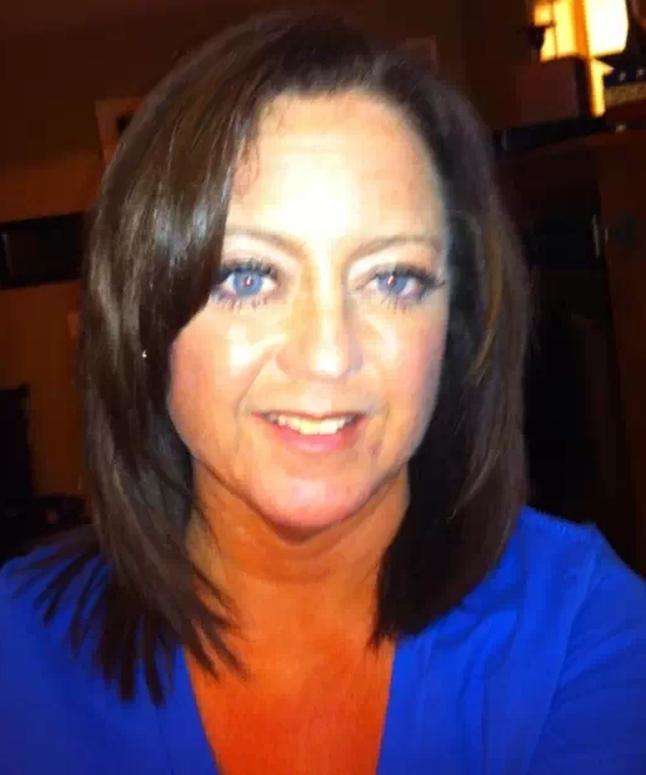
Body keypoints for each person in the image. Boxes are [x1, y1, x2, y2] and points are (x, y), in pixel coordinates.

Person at [1, 10, 645, 775]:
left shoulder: (583, 635)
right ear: (143, 318)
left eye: (392, 278)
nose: (328, 355)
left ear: (454, 329)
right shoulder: (18, 653)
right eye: (247, 277)